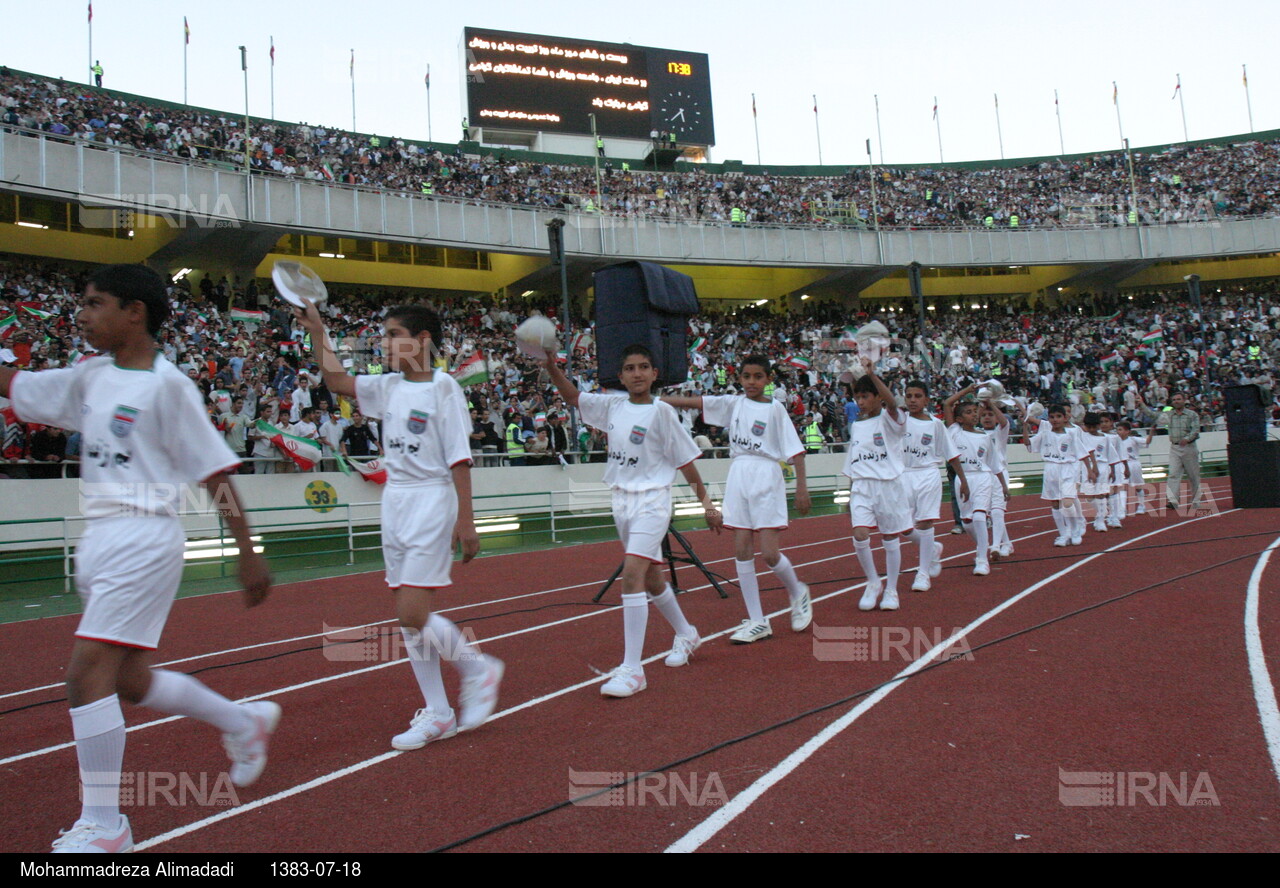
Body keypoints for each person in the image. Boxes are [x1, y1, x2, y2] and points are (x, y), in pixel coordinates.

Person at [0, 264, 275, 853]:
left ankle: (106, 825)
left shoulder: (168, 386)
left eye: (96, 303)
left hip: (145, 537)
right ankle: (241, 721)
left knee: (85, 675)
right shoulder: (89, 377)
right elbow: (17, 388)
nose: (82, 314)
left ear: (135, 312)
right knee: (128, 680)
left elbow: (214, 473)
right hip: (98, 538)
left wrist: (249, 553)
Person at [294, 300, 503, 749]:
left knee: (413, 612)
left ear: (422, 340)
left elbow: (460, 459)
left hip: (432, 498)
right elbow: (335, 380)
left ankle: (476, 667)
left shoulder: (445, 387)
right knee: (407, 620)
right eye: (384, 335)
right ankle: (439, 712)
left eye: (393, 335)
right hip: (395, 501)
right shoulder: (388, 387)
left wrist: (467, 520)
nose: (384, 343)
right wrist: (318, 332)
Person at [545, 344, 723, 697]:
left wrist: (708, 505)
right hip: (621, 501)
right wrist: (551, 366)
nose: (637, 373)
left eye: (644, 367)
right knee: (653, 578)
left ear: (655, 374)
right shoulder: (612, 405)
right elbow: (573, 396)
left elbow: (686, 463)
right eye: (630, 368)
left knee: (632, 575)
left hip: (653, 502)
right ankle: (687, 632)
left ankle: (632, 669)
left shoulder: (662, 413)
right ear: (621, 375)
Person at [661, 355, 813, 644]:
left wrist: (801, 488)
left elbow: (797, 451)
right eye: (746, 376)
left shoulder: (776, 410)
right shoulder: (734, 404)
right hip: (739, 474)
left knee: (769, 553)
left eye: (758, 376)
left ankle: (797, 591)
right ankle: (757, 621)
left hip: (767, 475)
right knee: (741, 550)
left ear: (768, 379)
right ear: (739, 378)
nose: (752, 382)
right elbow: (698, 403)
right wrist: (661, 401)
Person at [843, 358, 912, 611]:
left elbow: (892, 403)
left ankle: (892, 589)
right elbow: (854, 460)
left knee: (890, 537)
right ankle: (873, 582)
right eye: (856, 397)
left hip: (888, 486)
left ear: (876, 397)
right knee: (860, 534)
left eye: (864, 397)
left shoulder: (890, 419)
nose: (860, 402)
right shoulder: (857, 425)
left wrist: (872, 375)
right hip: (862, 486)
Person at [901, 380, 966, 591]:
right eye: (909, 396)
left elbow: (952, 455)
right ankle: (932, 549)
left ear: (926, 399)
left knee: (925, 522)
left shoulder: (936, 425)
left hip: (928, 474)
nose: (912, 400)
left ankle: (923, 573)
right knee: (903, 527)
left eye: (917, 396)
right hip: (903, 476)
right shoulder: (898, 421)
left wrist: (964, 481)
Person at [1024, 404, 1097, 546]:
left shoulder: (1072, 435)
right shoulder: (1045, 434)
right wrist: (1025, 426)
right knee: (1056, 504)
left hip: (1068, 469)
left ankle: (1075, 529)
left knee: (1067, 502)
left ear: (1065, 418)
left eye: (1058, 416)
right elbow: (1028, 443)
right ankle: (1063, 534)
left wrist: (1090, 470)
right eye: (1051, 417)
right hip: (1051, 469)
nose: (1055, 420)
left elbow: (1083, 454)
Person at [943, 385, 995, 576]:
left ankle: (982, 559)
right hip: (962, 479)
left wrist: (1003, 485)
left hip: (982, 478)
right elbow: (947, 403)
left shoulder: (985, 436)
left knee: (980, 516)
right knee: (967, 522)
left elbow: (993, 463)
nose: (974, 415)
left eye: (975, 412)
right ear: (958, 418)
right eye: (968, 412)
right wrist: (968, 390)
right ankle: (983, 545)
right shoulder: (954, 431)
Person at [1165, 391, 1203, 512]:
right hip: (1175, 447)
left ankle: (1196, 501)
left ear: (1184, 400)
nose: (1176, 401)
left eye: (1178, 399)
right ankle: (1173, 500)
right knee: (1173, 473)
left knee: (1193, 475)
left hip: (1189, 447)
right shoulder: (1168, 414)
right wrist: (1141, 405)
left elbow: (1196, 430)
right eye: (1174, 400)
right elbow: (1153, 416)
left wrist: (1187, 439)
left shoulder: (1192, 415)